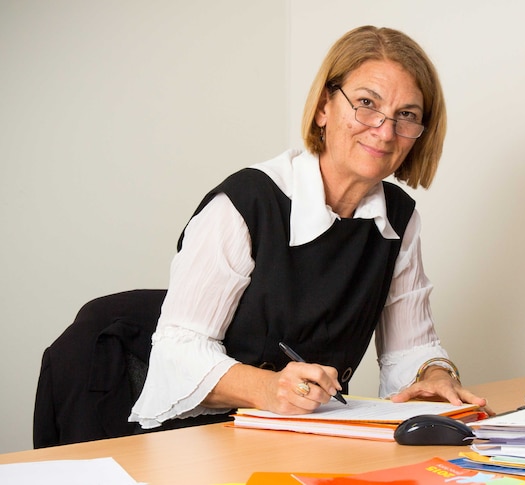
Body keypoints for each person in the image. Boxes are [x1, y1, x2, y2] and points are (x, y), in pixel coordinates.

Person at [129, 25, 489, 429]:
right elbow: (175, 352)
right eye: (367, 103)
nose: (385, 131)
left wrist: (434, 376)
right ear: (323, 108)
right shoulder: (245, 205)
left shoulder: (398, 219)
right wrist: (269, 388)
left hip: (308, 433)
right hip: (205, 435)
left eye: (406, 115)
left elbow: (409, 348)